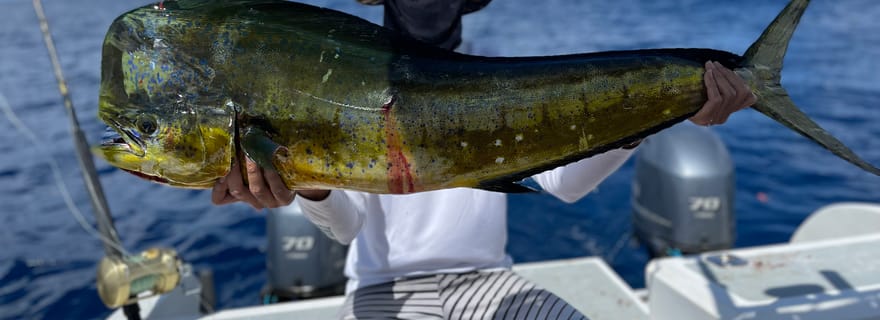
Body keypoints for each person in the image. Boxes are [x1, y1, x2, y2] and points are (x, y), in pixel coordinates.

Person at [212, 1, 756, 319]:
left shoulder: (495, 85)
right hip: (385, 293)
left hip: (490, 282)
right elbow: (347, 228)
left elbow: (563, 185)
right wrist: (309, 187)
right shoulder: (341, 90)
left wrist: (645, 117)